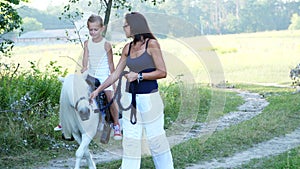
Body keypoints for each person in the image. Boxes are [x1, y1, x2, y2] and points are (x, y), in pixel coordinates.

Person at [90, 12, 174, 169]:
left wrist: (139, 76)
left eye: (126, 25)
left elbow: (162, 72)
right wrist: (98, 90)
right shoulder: (127, 48)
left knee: (156, 140)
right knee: (130, 140)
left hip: (150, 99)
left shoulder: (151, 44)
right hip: (130, 100)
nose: (124, 28)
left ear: (134, 26)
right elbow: (115, 74)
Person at [81, 14, 122, 140]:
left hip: (104, 75)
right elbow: (85, 57)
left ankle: (116, 124)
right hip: (92, 75)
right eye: (91, 30)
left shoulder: (106, 44)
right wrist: (84, 67)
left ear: (102, 28)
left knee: (110, 97)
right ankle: (69, 121)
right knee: (78, 91)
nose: (93, 32)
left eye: (95, 29)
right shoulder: (87, 43)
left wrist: (113, 80)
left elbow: (110, 63)